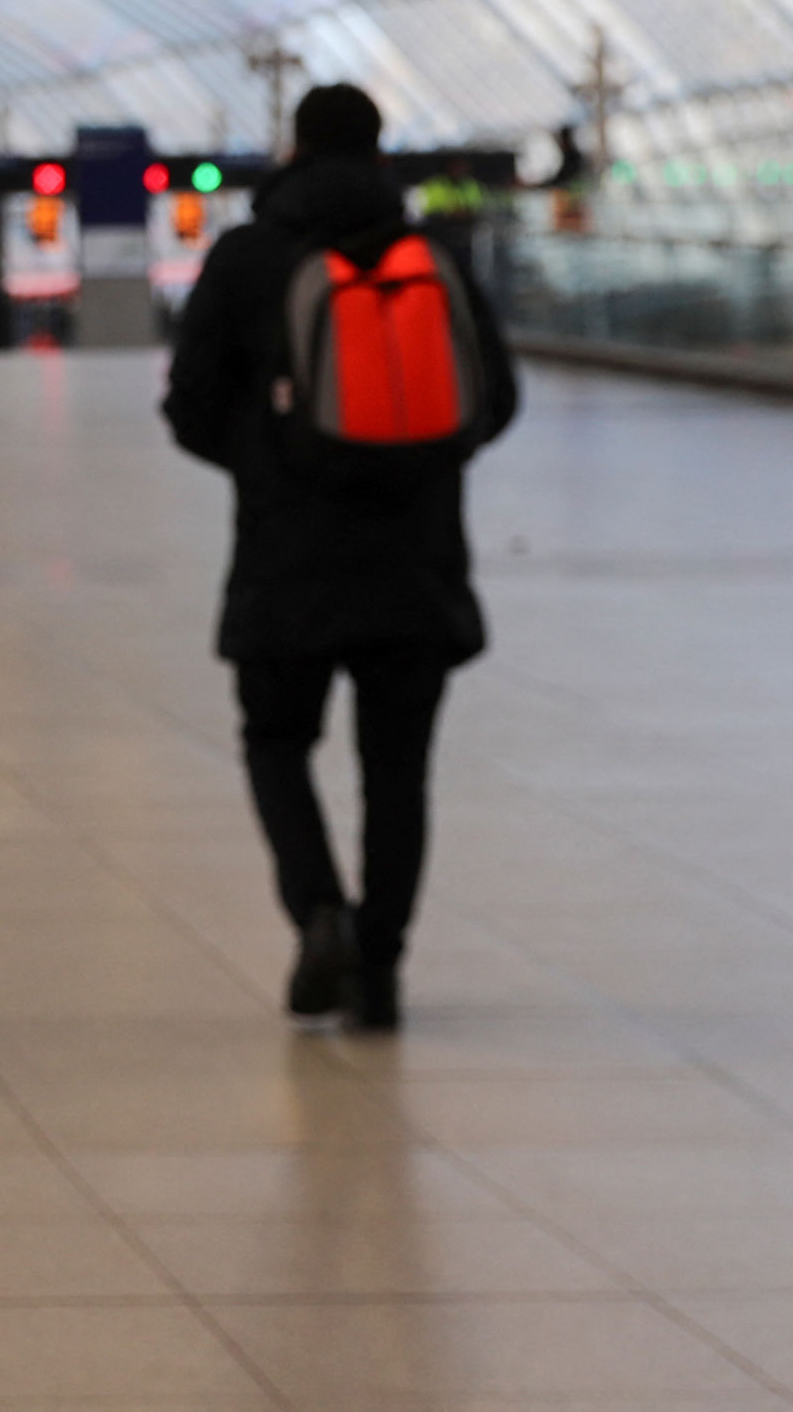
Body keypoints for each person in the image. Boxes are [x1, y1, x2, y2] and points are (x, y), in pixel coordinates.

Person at [164, 84, 518, 1031]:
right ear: (379, 150)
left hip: (286, 557)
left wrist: (268, 457)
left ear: (293, 146)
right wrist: (417, 460)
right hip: (417, 560)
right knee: (397, 771)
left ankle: (319, 908)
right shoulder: (431, 257)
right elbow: (498, 397)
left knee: (277, 742)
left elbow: (189, 406)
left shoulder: (247, 256)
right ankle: (382, 967)